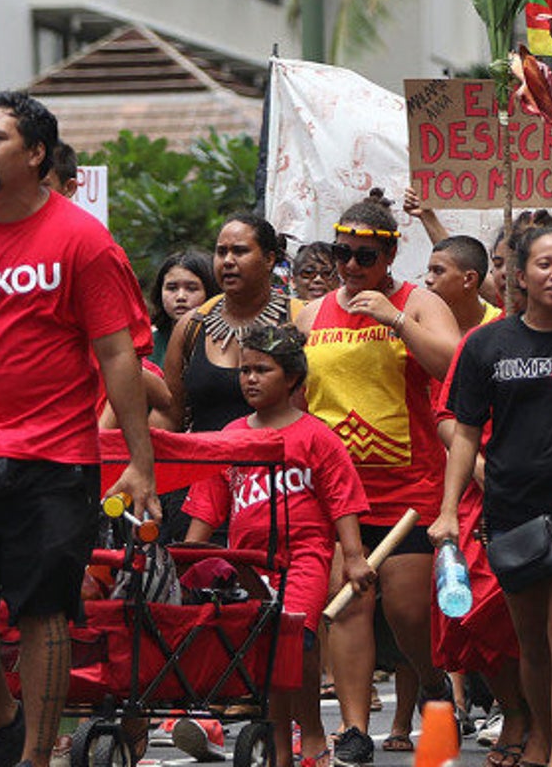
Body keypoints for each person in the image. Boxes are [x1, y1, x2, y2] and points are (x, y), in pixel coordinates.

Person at [0, 92, 157, 767]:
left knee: (43, 608)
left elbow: (118, 354)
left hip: (52, 456)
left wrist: (140, 461)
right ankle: (3, 719)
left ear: (35, 154)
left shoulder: (84, 240)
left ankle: (35, 758)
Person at [435, 226, 552, 767]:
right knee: (532, 641)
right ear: (519, 276)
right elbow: (465, 432)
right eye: (544, 264)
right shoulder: (485, 345)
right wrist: (448, 511)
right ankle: (541, 734)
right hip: (511, 508)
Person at [294, 189, 462, 766]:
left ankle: (434, 684)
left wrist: (395, 319)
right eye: (341, 253)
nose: (350, 265)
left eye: (364, 256)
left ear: (389, 255)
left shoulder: (418, 301)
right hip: (335, 492)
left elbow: (453, 364)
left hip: (410, 490)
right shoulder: (311, 313)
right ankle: (354, 729)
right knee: (348, 605)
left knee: (409, 613)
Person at [183, 325, 377, 767]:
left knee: (297, 642)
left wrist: (352, 556)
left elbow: (342, 498)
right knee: (265, 651)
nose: (250, 379)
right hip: (247, 564)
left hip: (303, 559)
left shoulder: (316, 435)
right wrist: (189, 556)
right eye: (244, 370)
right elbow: (209, 503)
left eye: (262, 370)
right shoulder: (230, 435)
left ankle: (311, 732)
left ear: (292, 377)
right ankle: (278, 744)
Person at [420, 235, 529, 766]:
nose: (510, 275)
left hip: (551, 492)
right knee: (469, 608)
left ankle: (550, 722)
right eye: (503, 266)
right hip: (478, 493)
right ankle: (515, 710)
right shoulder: (481, 342)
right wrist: (482, 471)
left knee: (544, 615)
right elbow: (447, 415)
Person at [164, 216, 303, 436]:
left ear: (269, 259)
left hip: (277, 456)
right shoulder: (190, 326)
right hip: (205, 455)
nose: (228, 261)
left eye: (240, 251)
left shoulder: (300, 319)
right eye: (221, 252)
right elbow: (169, 415)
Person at [149, 250, 216, 368]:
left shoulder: (223, 341)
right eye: (172, 288)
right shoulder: (148, 344)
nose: (181, 297)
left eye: (191, 288)